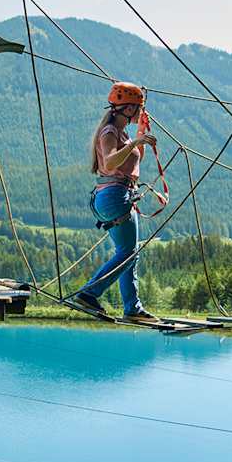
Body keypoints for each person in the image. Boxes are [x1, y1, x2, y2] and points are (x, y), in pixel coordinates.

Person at [68, 82, 160, 322]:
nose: (141, 112)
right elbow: (109, 162)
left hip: (116, 195)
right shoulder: (109, 132)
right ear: (127, 109)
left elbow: (130, 159)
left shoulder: (121, 132)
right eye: (138, 108)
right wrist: (135, 143)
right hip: (115, 195)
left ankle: (132, 307)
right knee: (129, 253)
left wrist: (138, 138)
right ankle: (90, 293)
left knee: (128, 252)